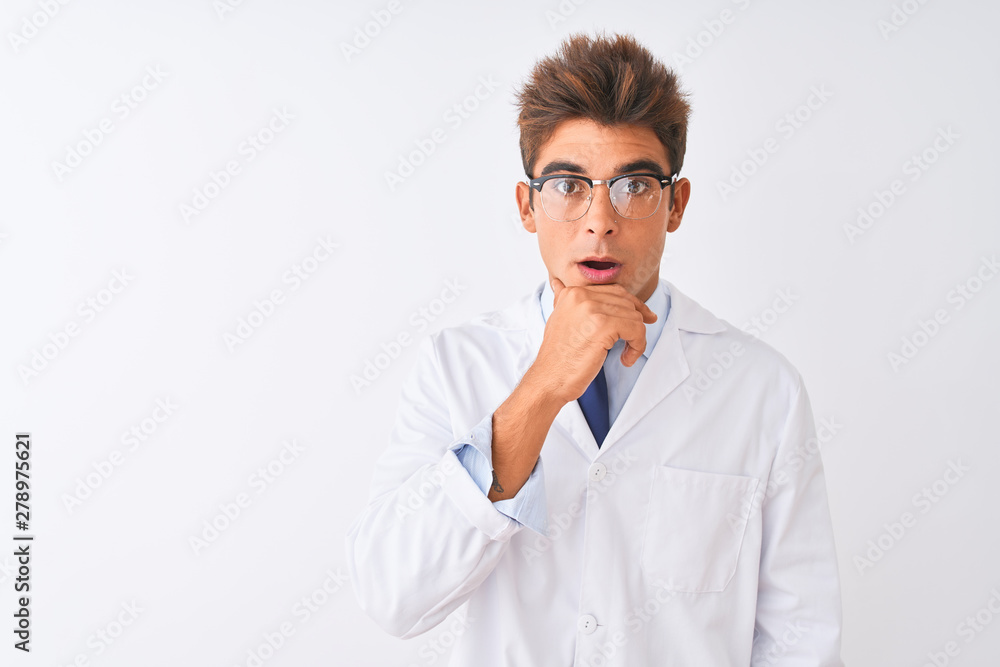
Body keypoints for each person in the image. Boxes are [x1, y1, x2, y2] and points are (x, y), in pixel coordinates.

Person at [346, 31, 843, 665]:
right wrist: (543, 385)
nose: (600, 219)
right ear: (527, 205)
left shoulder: (760, 388)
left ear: (676, 204)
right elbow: (394, 596)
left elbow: (801, 637)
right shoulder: (456, 365)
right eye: (567, 184)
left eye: (634, 185)